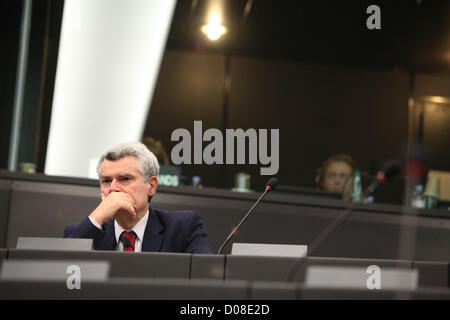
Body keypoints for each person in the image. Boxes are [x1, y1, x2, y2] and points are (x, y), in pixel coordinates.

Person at [63, 141, 212, 253]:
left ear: (151, 186)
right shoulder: (81, 233)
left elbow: (206, 281)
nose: (113, 188)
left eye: (125, 179)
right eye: (106, 181)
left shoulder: (183, 228)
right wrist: (98, 217)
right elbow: (62, 281)